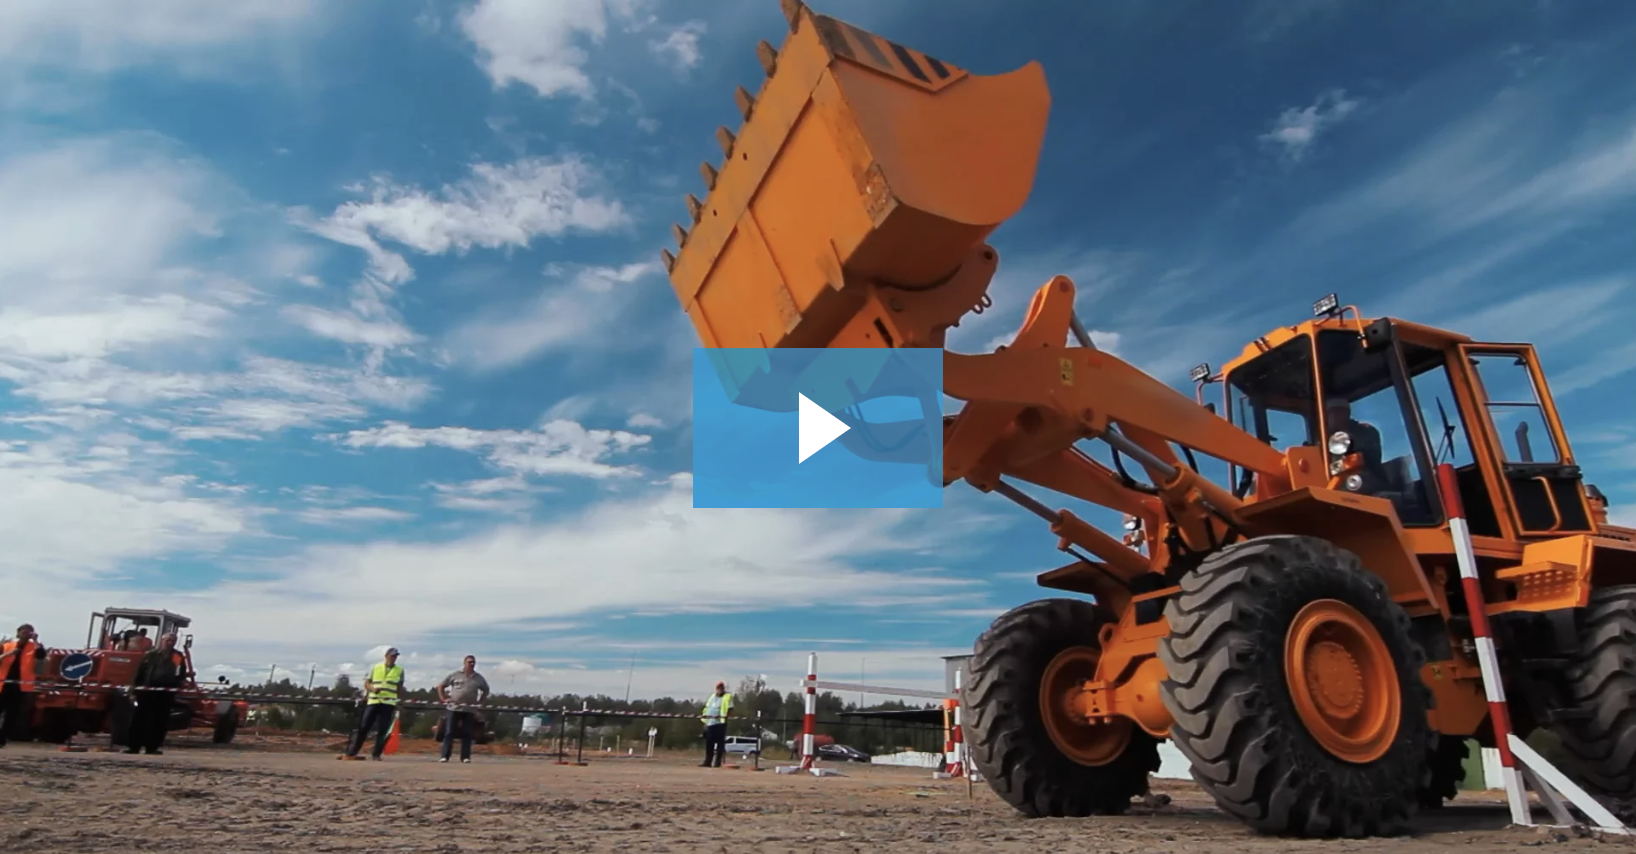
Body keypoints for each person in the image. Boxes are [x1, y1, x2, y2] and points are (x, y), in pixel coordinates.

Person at [128, 632, 189, 755]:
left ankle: (152, 747)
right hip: (147, 691)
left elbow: (180, 673)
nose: (170, 643)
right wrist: (134, 691)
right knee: (139, 719)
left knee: (159, 721)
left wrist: (176, 686)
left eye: (172, 641)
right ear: (162, 641)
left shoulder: (177, 656)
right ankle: (133, 747)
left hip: (166, 693)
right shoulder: (150, 655)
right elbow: (140, 673)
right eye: (168, 640)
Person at [342, 647, 405, 761]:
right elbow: (367, 683)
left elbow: (399, 687)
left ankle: (376, 754)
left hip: (388, 702)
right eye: (392, 656)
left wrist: (398, 700)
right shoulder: (375, 667)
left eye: (395, 656)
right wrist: (373, 689)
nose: (394, 658)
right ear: (386, 656)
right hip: (374, 700)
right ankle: (353, 751)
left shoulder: (399, 670)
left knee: (383, 729)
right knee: (364, 726)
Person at [436, 655, 489, 763]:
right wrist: (444, 699)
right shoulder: (455, 674)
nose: (472, 664)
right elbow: (441, 686)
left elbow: (486, 689)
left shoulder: (478, 677)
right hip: (454, 708)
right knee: (449, 732)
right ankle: (445, 756)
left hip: (469, 709)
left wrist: (480, 702)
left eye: (473, 662)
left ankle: (465, 757)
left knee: (467, 733)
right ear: (464, 663)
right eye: (469, 662)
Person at [0, 624, 46, 747]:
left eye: (29, 633)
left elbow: (41, 656)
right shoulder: (7, 646)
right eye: (23, 632)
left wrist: (36, 641)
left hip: (20, 686)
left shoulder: (34, 647)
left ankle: (1, 739)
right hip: (3, 684)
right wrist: (9, 653)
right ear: (18, 633)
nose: (25, 635)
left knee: (12, 714)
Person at [1325, 397, 1387, 489]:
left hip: (1366, 483)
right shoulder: (1324, 441)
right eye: (1329, 414)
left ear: (1346, 413)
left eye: (1335, 412)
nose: (1331, 418)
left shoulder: (1366, 431)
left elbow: (1366, 457)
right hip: (1336, 486)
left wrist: (1350, 441)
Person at [699, 681, 733, 767]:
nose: (719, 689)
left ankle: (717, 763)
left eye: (721, 687)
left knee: (720, 744)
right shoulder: (712, 696)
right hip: (710, 723)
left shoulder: (727, 696)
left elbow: (730, 708)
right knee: (709, 744)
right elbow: (707, 708)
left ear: (723, 688)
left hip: (720, 723)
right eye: (718, 687)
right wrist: (705, 721)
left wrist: (727, 717)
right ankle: (707, 762)